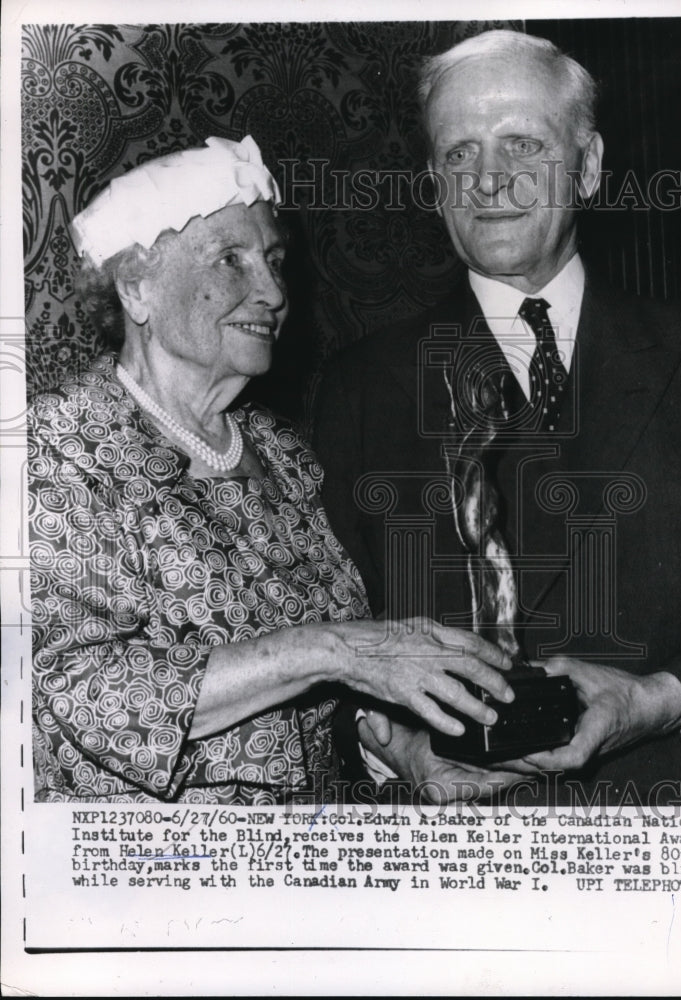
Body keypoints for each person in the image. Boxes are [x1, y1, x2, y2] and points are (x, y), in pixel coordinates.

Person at [313, 31, 681, 805]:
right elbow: (325, 635)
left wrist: (658, 700)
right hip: (459, 844)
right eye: (458, 153)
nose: (488, 180)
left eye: (521, 143)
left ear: (587, 164)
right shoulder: (358, 387)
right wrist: (397, 745)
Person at [28, 135, 515, 804]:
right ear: (136, 288)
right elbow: (83, 695)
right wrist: (334, 649)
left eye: (274, 259)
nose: (272, 291)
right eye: (230, 260)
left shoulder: (282, 452)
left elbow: (329, 690)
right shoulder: (58, 447)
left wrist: (406, 751)